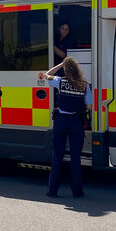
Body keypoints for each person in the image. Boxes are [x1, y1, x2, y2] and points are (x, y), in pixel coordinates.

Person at [44, 56, 93, 198]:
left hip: (60, 122)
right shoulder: (84, 85)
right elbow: (89, 106)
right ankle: (77, 192)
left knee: (57, 156)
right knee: (75, 158)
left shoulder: (60, 82)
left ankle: (52, 191)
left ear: (66, 69)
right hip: (76, 123)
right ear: (77, 69)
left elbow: (47, 75)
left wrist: (60, 64)